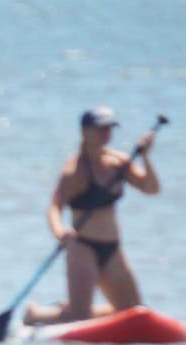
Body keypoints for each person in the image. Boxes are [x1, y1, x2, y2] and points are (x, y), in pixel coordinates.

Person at [23, 106, 162, 326]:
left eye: (109, 129)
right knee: (80, 317)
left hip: (113, 248)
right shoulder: (74, 171)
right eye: (100, 129)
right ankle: (36, 315)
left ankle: (62, 309)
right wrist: (61, 232)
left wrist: (145, 158)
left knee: (135, 311)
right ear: (85, 131)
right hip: (82, 248)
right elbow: (55, 207)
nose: (106, 135)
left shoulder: (119, 162)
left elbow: (151, 188)